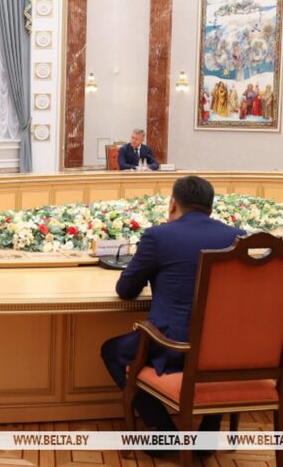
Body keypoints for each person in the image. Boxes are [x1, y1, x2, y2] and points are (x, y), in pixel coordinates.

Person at [101, 176, 244, 437]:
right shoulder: (237, 237)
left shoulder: (159, 236)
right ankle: (209, 430)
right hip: (224, 349)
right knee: (210, 346)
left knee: (112, 351)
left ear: (173, 204)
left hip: (173, 346)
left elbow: (126, 290)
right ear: (211, 207)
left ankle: (162, 429)